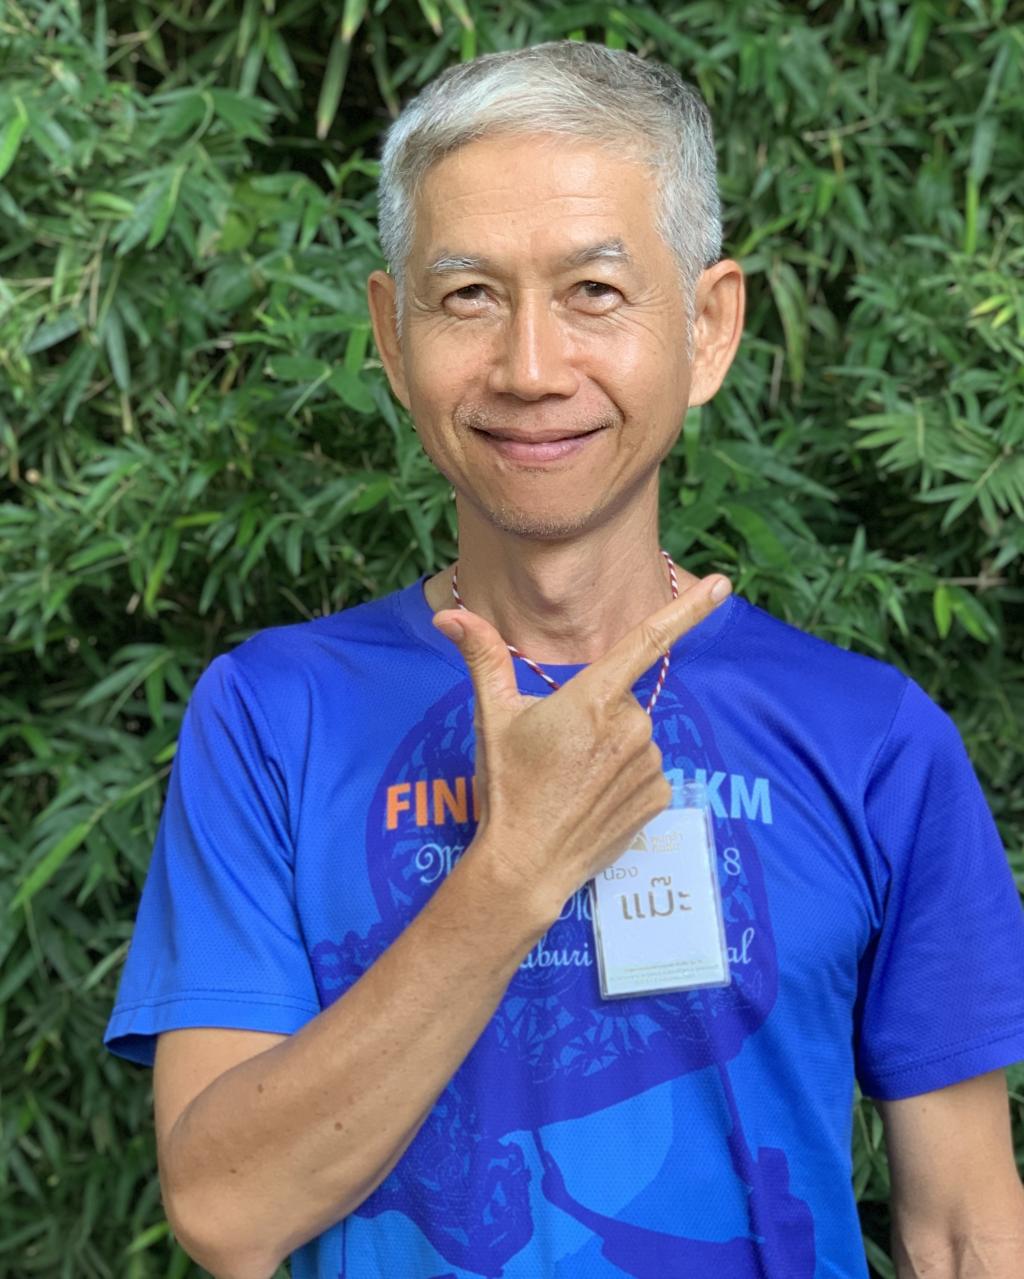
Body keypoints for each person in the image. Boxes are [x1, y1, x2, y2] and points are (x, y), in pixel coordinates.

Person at [104, 40, 1024, 1279]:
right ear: (391, 336)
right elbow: (227, 1211)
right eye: (468, 297)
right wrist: (512, 874)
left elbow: (963, 1229)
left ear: (706, 327)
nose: (531, 369)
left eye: (594, 290)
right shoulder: (274, 716)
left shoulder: (871, 738)